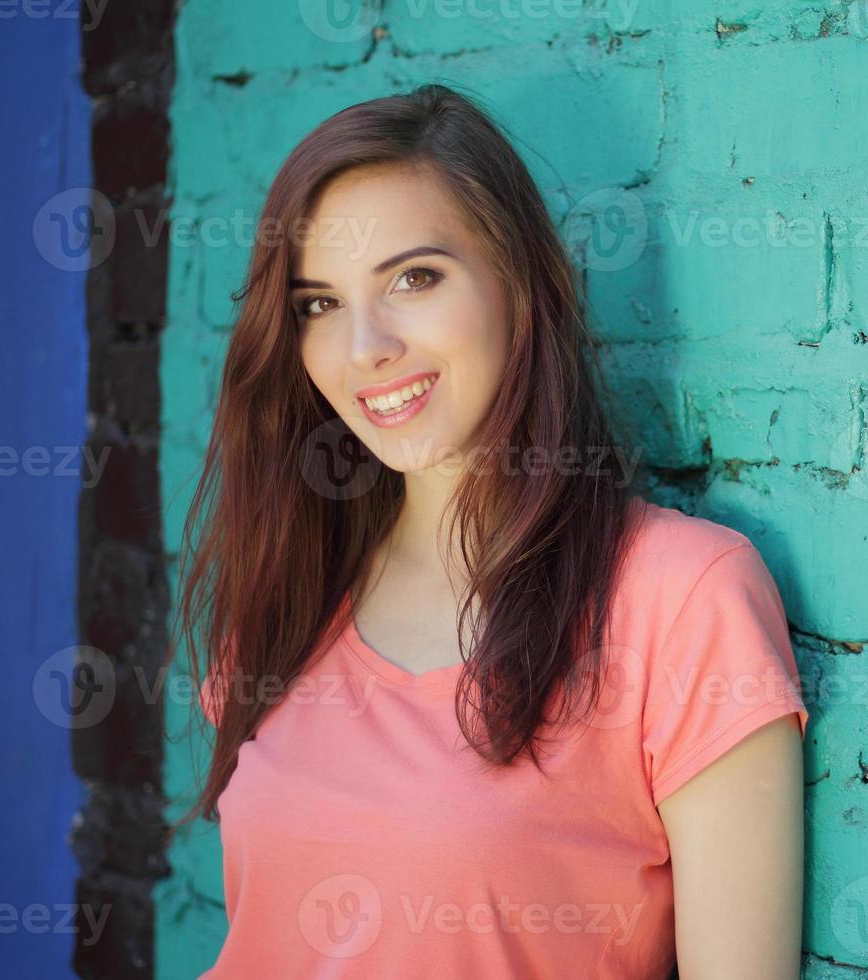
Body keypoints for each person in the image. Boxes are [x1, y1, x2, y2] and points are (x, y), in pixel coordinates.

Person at [166, 82, 809, 979]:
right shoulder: (292, 594)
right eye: (319, 303)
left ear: (522, 280)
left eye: (414, 278)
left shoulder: (682, 598)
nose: (365, 348)